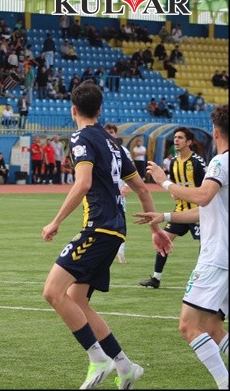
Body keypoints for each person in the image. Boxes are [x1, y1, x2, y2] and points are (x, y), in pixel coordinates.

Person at [41, 81, 172, 390]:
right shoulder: (114, 143)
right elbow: (141, 188)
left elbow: (83, 183)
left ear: (73, 110)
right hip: (115, 230)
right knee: (77, 300)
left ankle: (98, 358)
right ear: (99, 111)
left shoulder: (79, 138)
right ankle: (126, 367)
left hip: (98, 227)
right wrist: (155, 229)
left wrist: (55, 221)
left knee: (52, 292)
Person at [133, 105, 228, 390]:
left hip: (217, 258)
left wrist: (165, 182)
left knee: (188, 325)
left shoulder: (220, 163)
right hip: (224, 257)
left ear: (215, 131)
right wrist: (164, 217)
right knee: (211, 328)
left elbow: (202, 196)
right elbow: (208, 210)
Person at [139, 127, 206, 288]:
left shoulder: (197, 162)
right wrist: (174, 194)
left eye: (180, 138)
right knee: (163, 240)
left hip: (198, 213)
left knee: (205, 247)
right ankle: (156, 279)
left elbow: (205, 190)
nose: (176, 140)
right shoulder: (174, 162)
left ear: (189, 142)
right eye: (175, 137)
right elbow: (174, 186)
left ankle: (202, 281)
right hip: (180, 212)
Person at [104, 123, 133, 264]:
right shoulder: (100, 149)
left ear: (116, 134)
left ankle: (120, 252)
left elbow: (132, 171)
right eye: (107, 132)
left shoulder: (124, 151)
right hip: (103, 194)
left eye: (112, 132)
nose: (109, 134)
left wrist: (127, 186)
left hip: (118, 194)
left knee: (120, 223)